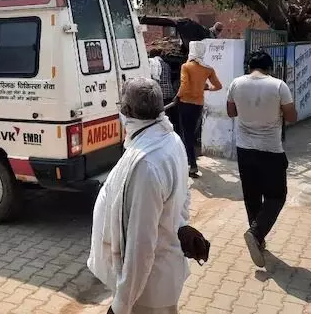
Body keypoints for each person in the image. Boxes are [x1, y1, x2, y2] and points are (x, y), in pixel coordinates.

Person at [88, 77, 194, 314]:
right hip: (155, 279)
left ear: (126, 111)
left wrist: (120, 305)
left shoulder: (146, 162)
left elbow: (140, 247)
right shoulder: (170, 139)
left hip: (146, 291)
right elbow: (183, 196)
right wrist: (181, 224)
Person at [226, 51, 297, 268]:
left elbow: (231, 112)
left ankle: (257, 237)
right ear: (269, 67)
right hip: (270, 150)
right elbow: (291, 116)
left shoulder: (236, 83)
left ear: (249, 66)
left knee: (252, 196)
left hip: (244, 149)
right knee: (276, 196)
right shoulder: (278, 86)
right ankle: (256, 234)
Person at [175, 41, 222, 178]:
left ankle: (191, 165)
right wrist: (205, 88)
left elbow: (184, 85)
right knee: (192, 134)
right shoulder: (208, 69)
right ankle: (191, 162)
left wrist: (177, 96)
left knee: (186, 134)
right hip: (198, 104)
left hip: (185, 103)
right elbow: (218, 86)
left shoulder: (186, 66)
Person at [148, 48, 179, 130]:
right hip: (170, 92)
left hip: (161, 93)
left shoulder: (153, 65)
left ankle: (164, 131)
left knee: (162, 115)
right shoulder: (166, 65)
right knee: (169, 115)